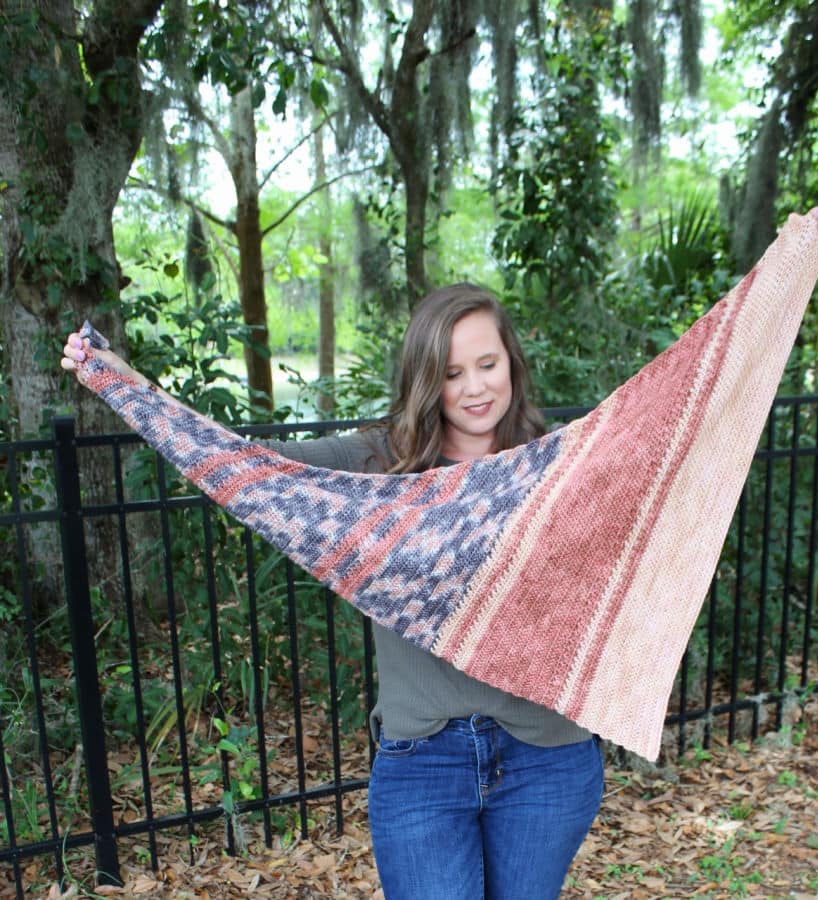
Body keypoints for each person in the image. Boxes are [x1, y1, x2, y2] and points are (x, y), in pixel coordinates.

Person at [62, 283, 606, 900]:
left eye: (488, 364)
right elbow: (248, 465)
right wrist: (129, 383)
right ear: (427, 378)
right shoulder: (378, 462)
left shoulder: (563, 459)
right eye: (453, 373)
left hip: (546, 758)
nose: (476, 388)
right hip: (424, 761)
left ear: (511, 359)